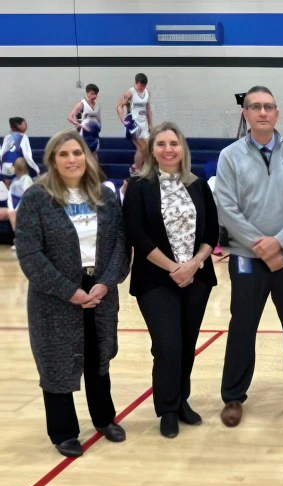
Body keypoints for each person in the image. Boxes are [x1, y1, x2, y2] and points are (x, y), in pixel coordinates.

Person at [14, 130, 129, 457]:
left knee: (99, 357)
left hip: (101, 289)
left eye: (77, 153)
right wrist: (71, 292)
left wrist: (106, 283)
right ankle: (63, 432)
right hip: (55, 297)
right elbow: (30, 254)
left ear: (87, 157)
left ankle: (104, 418)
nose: (71, 160)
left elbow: (121, 244)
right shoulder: (37, 198)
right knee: (57, 362)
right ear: (52, 160)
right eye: (63, 154)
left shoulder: (105, 196)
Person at [214, 85, 283, 425]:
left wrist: (280, 241)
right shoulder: (230, 156)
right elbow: (226, 207)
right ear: (245, 114)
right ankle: (233, 396)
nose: (262, 112)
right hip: (246, 258)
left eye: (268, 107)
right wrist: (259, 243)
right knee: (242, 325)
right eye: (255, 107)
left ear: (277, 113)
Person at [123, 122, 218, 438]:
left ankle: (181, 402)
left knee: (186, 344)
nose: (167, 149)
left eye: (173, 143)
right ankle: (165, 408)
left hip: (197, 278)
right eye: (161, 144)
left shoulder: (198, 185)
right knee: (167, 346)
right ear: (152, 150)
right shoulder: (138, 187)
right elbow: (137, 234)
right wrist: (173, 269)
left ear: (182, 148)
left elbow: (211, 233)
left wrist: (193, 264)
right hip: (155, 280)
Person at [117, 73, 152, 174]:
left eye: (144, 86)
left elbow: (148, 109)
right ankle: (141, 168)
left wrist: (150, 124)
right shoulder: (129, 93)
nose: (142, 88)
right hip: (134, 124)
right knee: (142, 147)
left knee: (146, 147)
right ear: (136, 83)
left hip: (144, 123)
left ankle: (136, 167)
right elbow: (119, 106)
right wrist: (123, 120)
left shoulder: (147, 92)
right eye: (141, 86)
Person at [68, 83, 102, 157]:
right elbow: (70, 117)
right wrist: (77, 124)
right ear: (87, 93)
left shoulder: (97, 104)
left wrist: (99, 128)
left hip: (94, 133)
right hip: (85, 133)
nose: (94, 96)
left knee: (94, 153)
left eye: (96, 94)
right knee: (85, 153)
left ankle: (95, 168)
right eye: (92, 94)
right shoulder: (82, 104)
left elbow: (99, 118)